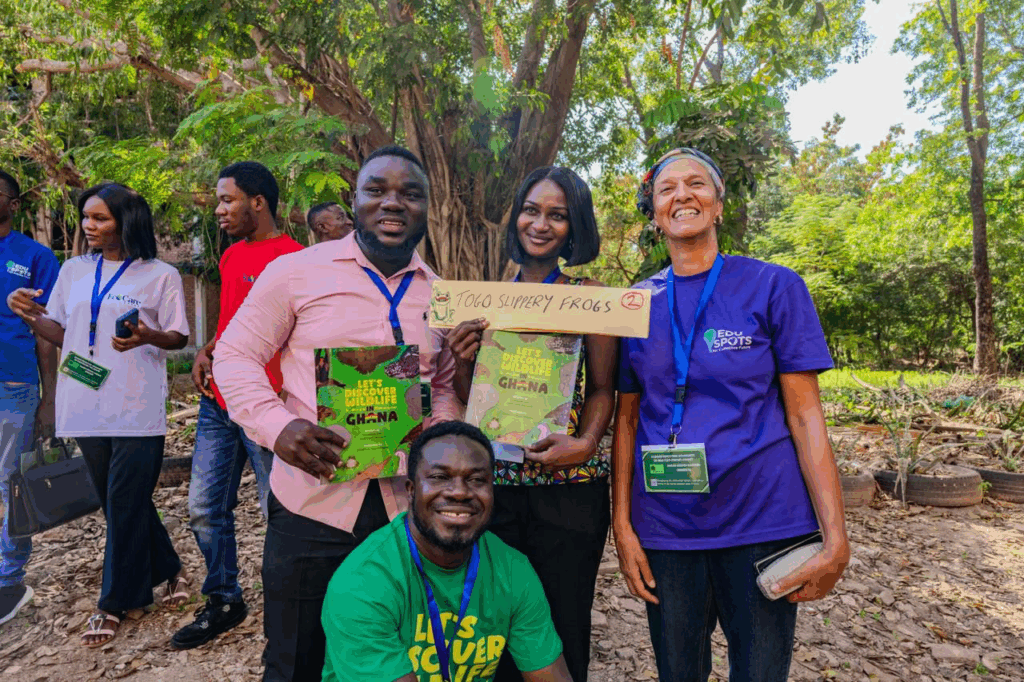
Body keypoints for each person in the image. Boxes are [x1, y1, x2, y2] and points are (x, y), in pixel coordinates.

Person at [212, 145, 461, 681]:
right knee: (295, 657)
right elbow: (234, 355)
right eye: (377, 190)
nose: (392, 203)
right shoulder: (296, 272)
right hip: (312, 502)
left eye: (410, 193)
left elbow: (441, 389)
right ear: (355, 202)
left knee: (391, 657)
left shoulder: (442, 295)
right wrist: (278, 429)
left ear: (426, 207)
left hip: (405, 512)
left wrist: (439, 439)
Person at [612, 148, 850, 682]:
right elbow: (625, 423)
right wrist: (623, 526)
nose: (682, 195)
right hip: (668, 528)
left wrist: (835, 536)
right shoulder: (635, 303)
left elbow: (807, 417)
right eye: (666, 189)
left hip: (763, 520)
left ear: (718, 204)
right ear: (653, 213)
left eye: (696, 183)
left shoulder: (773, 286)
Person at [446, 166, 615, 682]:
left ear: (575, 226)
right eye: (531, 210)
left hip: (570, 490)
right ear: (515, 216)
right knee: (489, 627)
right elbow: (468, 398)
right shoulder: (485, 301)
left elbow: (605, 388)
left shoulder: (590, 297)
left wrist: (585, 444)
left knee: (563, 625)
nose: (540, 224)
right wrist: (462, 360)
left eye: (557, 215)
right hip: (494, 488)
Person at [7, 182, 191, 647]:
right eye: (86, 218)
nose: (89, 227)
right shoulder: (73, 270)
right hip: (83, 402)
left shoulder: (159, 275)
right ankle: (169, 569)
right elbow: (60, 329)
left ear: (126, 221)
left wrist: (148, 335)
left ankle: (114, 603)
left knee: (125, 501)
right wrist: (29, 315)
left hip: (136, 406)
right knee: (119, 503)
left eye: (99, 219)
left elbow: (178, 338)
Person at [321, 420, 573, 682]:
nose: (460, 492)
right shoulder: (363, 583)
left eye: (476, 480)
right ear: (411, 490)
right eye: (440, 477)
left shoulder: (512, 570)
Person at [171, 162, 304, 650]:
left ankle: (288, 608)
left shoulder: (295, 260)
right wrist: (208, 350)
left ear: (258, 203)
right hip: (217, 405)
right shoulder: (230, 257)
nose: (220, 209)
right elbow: (235, 325)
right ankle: (225, 599)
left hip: (268, 410)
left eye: (227, 200)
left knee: (280, 513)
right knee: (205, 508)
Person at [0, 170, 59, 626]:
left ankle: (9, 579)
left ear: (14, 204)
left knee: (10, 484)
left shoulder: (35, 256)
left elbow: (48, 333)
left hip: (14, 385)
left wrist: (49, 397)